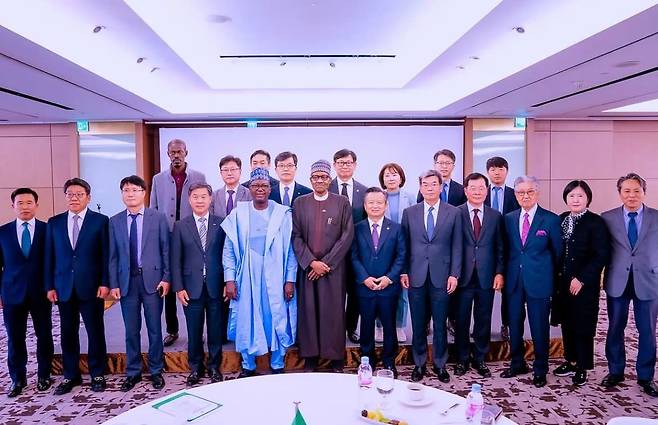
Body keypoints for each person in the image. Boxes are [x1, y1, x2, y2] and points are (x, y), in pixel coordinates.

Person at [222, 168, 298, 377]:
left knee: (275, 316)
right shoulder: (238, 214)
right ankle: (248, 364)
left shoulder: (283, 214)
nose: (260, 189)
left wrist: (289, 279)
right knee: (248, 316)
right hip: (247, 275)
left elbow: (291, 251)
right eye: (255, 185)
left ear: (270, 187)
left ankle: (277, 362)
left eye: (264, 185)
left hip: (276, 275)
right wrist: (229, 279)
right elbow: (228, 250)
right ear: (249, 188)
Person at [44, 178, 109, 394]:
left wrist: (105, 283)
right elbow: (49, 258)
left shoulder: (100, 221)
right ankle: (70, 375)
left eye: (79, 194)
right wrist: (50, 286)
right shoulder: (54, 223)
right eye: (70, 194)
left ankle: (97, 373)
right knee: (67, 332)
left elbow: (105, 255)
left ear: (88, 197)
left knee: (95, 331)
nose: (74, 198)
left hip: (92, 286)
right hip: (63, 286)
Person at [108, 175, 171, 391]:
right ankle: (132, 372)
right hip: (127, 283)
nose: (130, 194)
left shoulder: (158, 217)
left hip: (153, 282)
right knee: (131, 330)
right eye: (126, 190)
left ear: (144, 193)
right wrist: (114, 283)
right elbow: (113, 256)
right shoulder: (114, 221)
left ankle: (156, 370)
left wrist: (166, 278)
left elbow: (166, 250)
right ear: (122, 194)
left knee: (154, 329)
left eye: (135, 189)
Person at [500, 176, 562, 388]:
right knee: (514, 325)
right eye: (520, 192)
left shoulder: (551, 220)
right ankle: (517, 362)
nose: (525, 196)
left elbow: (558, 254)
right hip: (514, 281)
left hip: (540, 281)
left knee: (539, 327)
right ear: (515, 195)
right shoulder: (508, 218)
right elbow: (505, 250)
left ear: (537, 193)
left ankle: (540, 368)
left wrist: (552, 281)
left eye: (530, 192)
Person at [292, 159, 354, 373]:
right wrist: (311, 262)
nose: (320, 180)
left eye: (324, 177)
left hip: (333, 270)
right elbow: (296, 236)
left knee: (333, 313)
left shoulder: (342, 202)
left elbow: (347, 235)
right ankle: (310, 358)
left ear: (330, 179)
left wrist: (325, 263)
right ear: (310, 180)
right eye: (316, 177)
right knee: (308, 312)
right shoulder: (300, 203)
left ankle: (335, 359)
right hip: (308, 269)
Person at [401, 170, 462, 383]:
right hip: (416, 275)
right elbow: (405, 246)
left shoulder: (453, 212)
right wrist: (403, 271)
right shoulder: (410, 212)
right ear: (420, 187)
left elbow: (457, 246)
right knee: (418, 323)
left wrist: (454, 274)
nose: (429, 187)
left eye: (433, 184)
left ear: (440, 186)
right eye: (425, 184)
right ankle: (419, 364)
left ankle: (439, 364)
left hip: (442, 276)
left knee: (440, 322)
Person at [601, 173, 658, 397]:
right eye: (627, 191)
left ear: (644, 192)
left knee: (647, 331)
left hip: (649, 280)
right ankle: (615, 371)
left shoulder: (656, 217)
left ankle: (645, 376)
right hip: (618, 280)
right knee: (615, 328)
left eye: (636, 190)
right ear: (620, 193)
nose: (632, 195)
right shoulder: (607, 218)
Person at [551, 180, 609, 386]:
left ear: (588, 199)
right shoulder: (562, 219)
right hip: (562, 283)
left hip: (584, 284)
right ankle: (570, 360)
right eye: (571, 196)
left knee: (583, 324)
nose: (575, 200)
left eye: (580, 196)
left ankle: (583, 366)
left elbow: (601, 255)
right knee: (567, 322)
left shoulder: (596, 222)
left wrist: (582, 279)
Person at [150, 139, 206, 348]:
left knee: (191, 282)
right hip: (166, 236)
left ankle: (196, 329)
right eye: (172, 152)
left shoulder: (198, 177)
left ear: (186, 152)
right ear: (167, 153)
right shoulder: (158, 179)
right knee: (169, 282)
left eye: (179, 152)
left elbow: (203, 203)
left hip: (191, 236)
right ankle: (172, 330)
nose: (176, 155)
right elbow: (153, 209)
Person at [0, 188, 53, 397]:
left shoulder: (46, 230)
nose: (25, 207)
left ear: (36, 205)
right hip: (12, 294)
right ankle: (17, 379)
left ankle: (44, 375)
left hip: (41, 292)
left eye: (29, 202)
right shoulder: (2, 232)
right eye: (20, 203)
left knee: (44, 335)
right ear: (12, 205)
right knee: (15, 338)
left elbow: (52, 261)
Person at [171, 183, 226, 386]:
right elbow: (175, 259)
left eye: (204, 197)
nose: (200, 200)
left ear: (210, 199)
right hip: (190, 288)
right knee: (193, 332)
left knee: (215, 330)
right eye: (195, 197)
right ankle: (195, 368)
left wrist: (226, 282)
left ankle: (214, 367)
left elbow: (226, 256)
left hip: (215, 286)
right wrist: (178, 287)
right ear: (189, 199)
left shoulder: (221, 224)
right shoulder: (180, 225)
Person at [351, 187, 406, 377]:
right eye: (371, 203)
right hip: (365, 286)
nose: (375, 206)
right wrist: (364, 278)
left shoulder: (397, 228)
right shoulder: (357, 228)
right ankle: (367, 361)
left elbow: (401, 256)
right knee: (366, 326)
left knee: (389, 326)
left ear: (386, 204)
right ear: (365, 206)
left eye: (379, 202)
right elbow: (354, 256)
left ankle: (389, 361)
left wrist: (389, 278)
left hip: (388, 287)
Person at [454, 173, 504, 379]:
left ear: (487, 190)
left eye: (481, 188)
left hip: (486, 275)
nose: (477, 192)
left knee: (483, 318)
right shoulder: (456, 213)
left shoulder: (495, 215)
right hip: (463, 276)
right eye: (472, 188)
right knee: (461, 319)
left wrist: (499, 272)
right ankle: (462, 358)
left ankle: (480, 358)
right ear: (465, 191)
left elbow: (500, 247)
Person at [329, 149, 367, 344]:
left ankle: (351, 328)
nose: (345, 166)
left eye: (349, 162)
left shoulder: (365, 190)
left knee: (355, 293)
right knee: (334, 294)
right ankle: (333, 331)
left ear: (355, 165)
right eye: (341, 162)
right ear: (334, 165)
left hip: (356, 252)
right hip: (332, 252)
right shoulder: (325, 188)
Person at [378, 163, 415, 343]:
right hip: (382, 249)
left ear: (401, 177)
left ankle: (399, 326)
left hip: (403, 248)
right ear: (382, 179)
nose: (391, 178)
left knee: (402, 290)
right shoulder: (377, 196)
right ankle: (379, 327)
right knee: (380, 288)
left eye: (394, 175)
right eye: (387, 175)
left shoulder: (410, 197)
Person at [484, 156, 520, 341]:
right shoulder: (481, 193)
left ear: (507, 171)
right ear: (487, 172)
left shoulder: (515, 194)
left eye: (500, 169)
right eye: (493, 169)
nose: (497, 172)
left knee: (508, 289)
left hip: (508, 248)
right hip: (484, 249)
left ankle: (506, 324)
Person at [212, 155, 251, 220]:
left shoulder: (249, 194)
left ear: (240, 171)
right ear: (221, 173)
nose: (229, 173)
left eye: (233, 169)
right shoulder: (214, 196)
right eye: (225, 170)